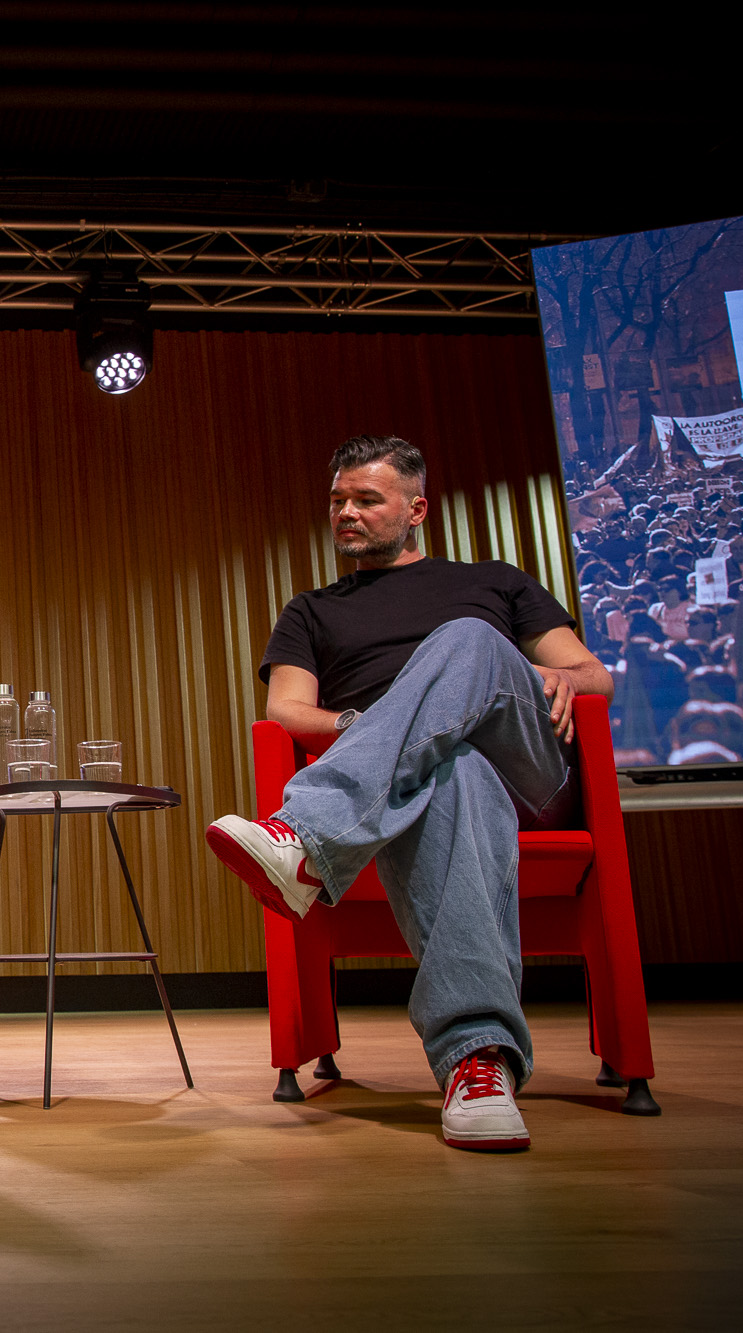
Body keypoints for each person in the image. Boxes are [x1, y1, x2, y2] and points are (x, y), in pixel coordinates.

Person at [205, 435, 612, 1153]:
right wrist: (386, 730)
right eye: (338, 501)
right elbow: (287, 712)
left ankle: (308, 837)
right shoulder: (312, 611)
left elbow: (593, 675)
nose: (347, 513)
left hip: (526, 768)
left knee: (473, 640)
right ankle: (477, 1063)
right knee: (453, 773)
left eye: (367, 499)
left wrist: (566, 679)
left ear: (417, 507)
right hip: (420, 789)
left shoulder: (495, 582)